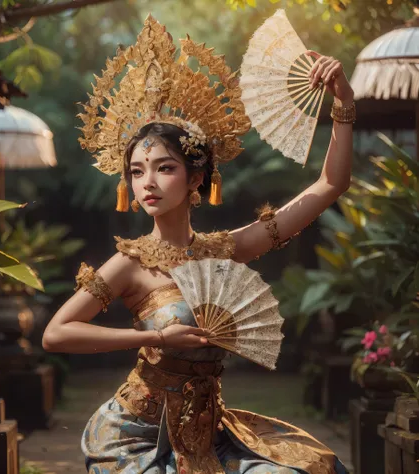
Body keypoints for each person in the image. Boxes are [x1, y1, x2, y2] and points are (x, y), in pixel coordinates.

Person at [43, 14, 354, 474]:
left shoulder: (228, 250)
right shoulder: (129, 263)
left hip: (213, 433)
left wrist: (344, 105)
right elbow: (55, 334)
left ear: (196, 177)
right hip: (138, 437)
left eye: (163, 168)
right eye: (136, 171)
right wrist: (153, 337)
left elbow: (330, 184)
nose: (147, 182)